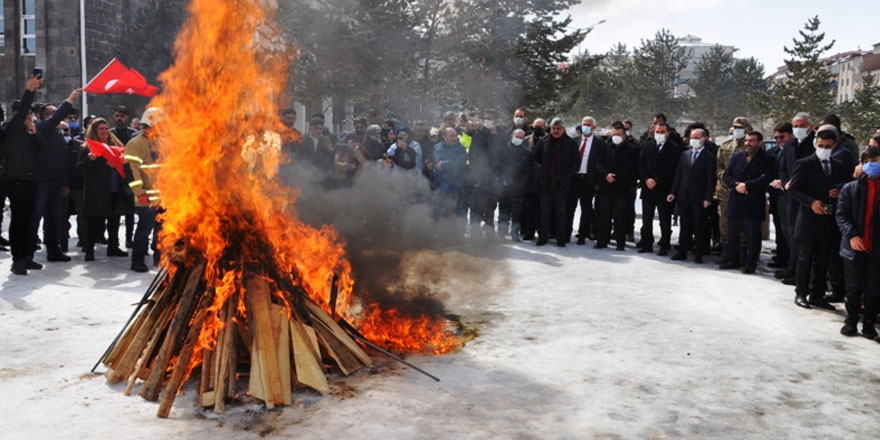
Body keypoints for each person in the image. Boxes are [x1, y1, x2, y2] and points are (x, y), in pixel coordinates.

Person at [788, 125, 856, 310]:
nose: (823, 149)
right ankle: (801, 293)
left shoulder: (839, 165)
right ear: (815, 144)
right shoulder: (805, 163)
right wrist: (811, 202)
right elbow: (793, 189)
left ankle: (817, 295)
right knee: (805, 259)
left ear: (834, 146)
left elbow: (848, 186)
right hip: (809, 219)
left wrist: (840, 190)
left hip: (829, 219)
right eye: (821, 145)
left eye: (827, 146)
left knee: (823, 259)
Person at [2, 75, 45, 275]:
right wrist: (30, 89)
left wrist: (35, 132)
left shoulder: (29, 132)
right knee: (19, 221)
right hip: (16, 182)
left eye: (30, 114)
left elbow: (43, 150)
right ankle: (17, 259)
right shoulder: (10, 130)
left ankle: (28, 256)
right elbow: (20, 113)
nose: (29, 117)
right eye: (26, 114)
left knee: (30, 221)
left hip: (31, 181)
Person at [835, 148, 880, 340]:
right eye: (868, 160)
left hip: (876, 250)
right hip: (855, 247)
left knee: (874, 290)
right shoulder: (851, 188)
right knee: (853, 288)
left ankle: (868, 324)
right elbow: (841, 215)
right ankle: (850, 321)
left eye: (876, 160)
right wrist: (852, 235)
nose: (872, 164)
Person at [34, 88, 83, 263]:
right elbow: (56, 118)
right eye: (53, 114)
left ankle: (53, 250)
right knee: (35, 216)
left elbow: (62, 159)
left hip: (55, 181)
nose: (58, 117)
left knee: (53, 218)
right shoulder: (42, 128)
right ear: (43, 117)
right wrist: (70, 99)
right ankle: (26, 252)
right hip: (42, 181)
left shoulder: (56, 133)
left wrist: (64, 183)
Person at [77, 118, 132, 261]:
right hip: (98, 191)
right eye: (101, 129)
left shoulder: (116, 146)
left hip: (115, 189)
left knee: (114, 220)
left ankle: (113, 247)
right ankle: (89, 250)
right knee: (94, 222)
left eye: (106, 128)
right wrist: (90, 160)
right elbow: (80, 170)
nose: (105, 131)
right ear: (94, 131)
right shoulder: (87, 148)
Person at [719, 131, 775, 273]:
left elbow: (766, 178)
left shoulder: (767, 158)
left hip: (754, 199)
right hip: (736, 198)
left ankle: (751, 263)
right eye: (747, 140)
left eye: (752, 141)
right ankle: (733, 259)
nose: (748, 143)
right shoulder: (737, 157)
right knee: (733, 232)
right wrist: (736, 185)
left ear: (760, 143)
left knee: (753, 235)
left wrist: (747, 185)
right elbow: (727, 174)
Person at [125, 107, 166, 272]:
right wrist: (140, 193)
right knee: (144, 230)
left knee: (161, 231)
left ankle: (159, 257)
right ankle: (137, 261)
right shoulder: (135, 144)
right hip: (146, 197)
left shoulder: (162, 142)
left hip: (164, 196)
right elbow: (131, 171)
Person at [668, 128, 716, 263]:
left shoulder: (709, 157)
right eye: (691, 137)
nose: (692, 140)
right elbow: (678, 175)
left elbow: (710, 179)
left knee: (699, 226)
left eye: (696, 137)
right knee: (685, 225)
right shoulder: (685, 155)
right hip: (684, 196)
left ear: (704, 139)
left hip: (699, 198)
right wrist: (673, 192)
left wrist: (708, 197)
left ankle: (698, 253)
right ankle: (682, 251)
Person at [637, 121, 682, 255]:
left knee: (664, 219)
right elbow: (641, 164)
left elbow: (672, 168)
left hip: (664, 188)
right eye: (657, 132)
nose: (659, 134)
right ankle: (647, 243)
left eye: (662, 132)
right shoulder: (648, 145)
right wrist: (646, 179)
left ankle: (664, 244)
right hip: (648, 188)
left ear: (667, 133)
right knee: (646, 219)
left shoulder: (673, 148)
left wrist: (657, 180)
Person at [533, 118, 579, 247]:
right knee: (545, 212)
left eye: (558, 128)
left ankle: (561, 238)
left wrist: (567, 174)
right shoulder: (544, 141)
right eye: (554, 128)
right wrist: (541, 171)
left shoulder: (570, 143)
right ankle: (543, 237)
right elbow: (535, 158)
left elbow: (576, 162)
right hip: (546, 184)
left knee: (561, 213)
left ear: (563, 129)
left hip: (562, 184)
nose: (556, 131)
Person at [595, 121, 639, 250]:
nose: (616, 137)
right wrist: (605, 174)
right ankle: (602, 240)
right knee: (604, 215)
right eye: (614, 134)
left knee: (620, 217)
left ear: (624, 136)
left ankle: (620, 242)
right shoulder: (605, 147)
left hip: (622, 188)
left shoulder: (631, 149)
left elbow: (631, 167)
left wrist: (616, 176)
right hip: (605, 186)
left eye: (619, 134)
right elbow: (598, 163)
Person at [714, 117, 751, 265]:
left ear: (748, 129)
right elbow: (719, 167)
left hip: (744, 191)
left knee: (743, 224)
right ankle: (727, 252)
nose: (737, 130)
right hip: (726, 191)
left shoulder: (751, 146)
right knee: (724, 223)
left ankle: (742, 253)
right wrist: (726, 179)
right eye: (735, 127)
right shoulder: (726, 146)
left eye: (740, 127)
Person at [567, 116, 605, 245]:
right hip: (574, 179)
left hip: (588, 180)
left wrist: (598, 183)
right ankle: (566, 233)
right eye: (584, 124)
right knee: (570, 207)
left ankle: (582, 235)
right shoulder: (574, 141)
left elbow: (600, 165)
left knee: (586, 209)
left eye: (588, 125)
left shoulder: (599, 144)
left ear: (593, 127)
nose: (586, 127)